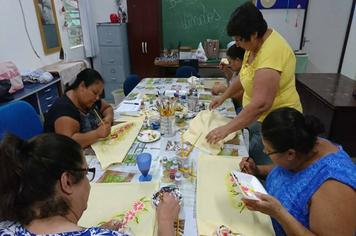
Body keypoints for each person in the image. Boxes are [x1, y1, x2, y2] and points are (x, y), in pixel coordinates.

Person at [0, 132, 180, 236]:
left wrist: (90, 231)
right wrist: (165, 221)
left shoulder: (6, 227)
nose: (89, 183)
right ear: (67, 182)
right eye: (86, 173)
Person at [206, 2, 302, 165]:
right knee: (252, 162)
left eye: (239, 40)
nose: (237, 44)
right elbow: (244, 78)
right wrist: (224, 96)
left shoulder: (272, 52)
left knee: (268, 171)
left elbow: (261, 104)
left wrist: (227, 129)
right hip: (257, 123)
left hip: (277, 126)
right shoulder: (253, 45)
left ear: (254, 33)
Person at [239, 107, 356, 236]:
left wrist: (279, 214)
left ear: (290, 153)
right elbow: (284, 171)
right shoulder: (302, 146)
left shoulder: (334, 185)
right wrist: (257, 170)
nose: (264, 152)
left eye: (267, 151)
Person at [44, 68, 113, 148]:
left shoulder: (91, 100)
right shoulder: (64, 109)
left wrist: (108, 119)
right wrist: (97, 134)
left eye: (99, 94)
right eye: (95, 93)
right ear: (82, 86)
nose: (97, 98)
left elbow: (107, 108)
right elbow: (69, 143)